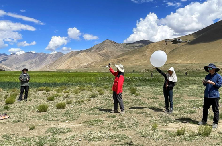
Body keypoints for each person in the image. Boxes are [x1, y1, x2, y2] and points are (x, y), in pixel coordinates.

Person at [199, 63, 222, 129]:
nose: (209, 70)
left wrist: (212, 83)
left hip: (214, 95)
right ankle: (204, 120)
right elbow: (205, 85)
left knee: (215, 109)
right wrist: (204, 82)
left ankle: (215, 122)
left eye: (210, 68)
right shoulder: (207, 76)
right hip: (207, 95)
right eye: (208, 68)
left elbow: (219, 85)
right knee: (205, 108)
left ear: (214, 69)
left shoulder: (218, 76)